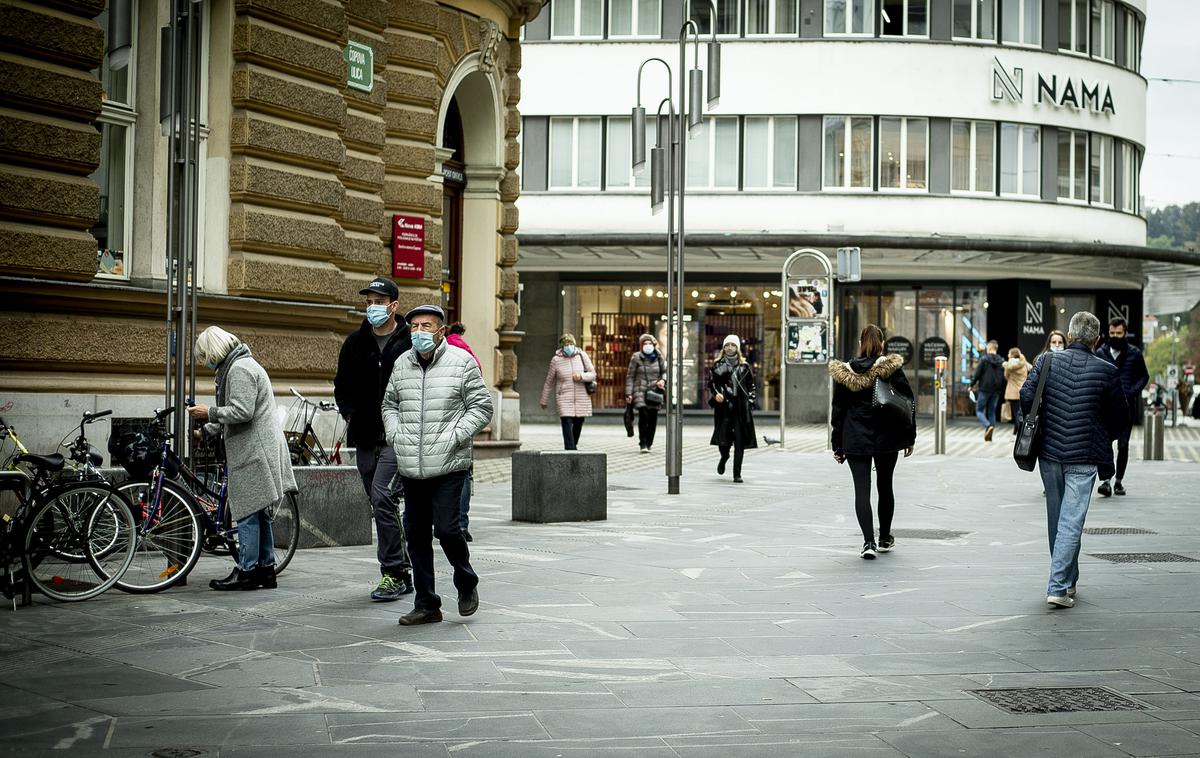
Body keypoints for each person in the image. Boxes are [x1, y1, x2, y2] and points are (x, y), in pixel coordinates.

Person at [383, 304, 493, 626]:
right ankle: (426, 603)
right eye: (414, 326)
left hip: (449, 463)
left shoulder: (462, 363)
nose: (418, 332)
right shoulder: (402, 363)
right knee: (416, 535)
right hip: (411, 466)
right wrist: (395, 433)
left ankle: (466, 581)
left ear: (441, 331)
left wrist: (455, 436)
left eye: (426, 326)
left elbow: (482, 407)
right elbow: (389, 404)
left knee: (447, 530)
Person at [1021, 311, 1126, 608]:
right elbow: (1120, 417)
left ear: (1068, 337)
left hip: (1050, 453)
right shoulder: (1107, 371)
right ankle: (1057, 587)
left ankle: (1069, 579)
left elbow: (1027, 396)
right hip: (1085, 454)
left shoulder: (1046, 361)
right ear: (1096, 340)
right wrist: (1103, 432)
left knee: (1059, 519)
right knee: (1071, 521)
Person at [190, 326, 297, 591]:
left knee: (248, 511)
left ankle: (247, 571)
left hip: (253, 451)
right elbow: (240, 410)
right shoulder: (242, 365)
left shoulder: (238, 369)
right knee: (259, 511)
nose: (205, 362)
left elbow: (241, 411)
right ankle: (266, 569)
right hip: (257, 449)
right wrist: (208, 430)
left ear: (214, 350)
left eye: (204, 356)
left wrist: (208, 413)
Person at [334, 277, 414, 601]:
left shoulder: (409, 341)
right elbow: (342, 385)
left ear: (393, 306)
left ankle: (392, 572)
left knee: (383, 496)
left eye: (379, 302)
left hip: (399, 435)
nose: (372, 307)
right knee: (380, 501)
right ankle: (405, 568)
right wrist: (351, 413)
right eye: (369, 302)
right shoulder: (355, 342)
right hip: (365, 436)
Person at [830, 324, 915, 560]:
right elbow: (907, 402)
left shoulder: (845, 372)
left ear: (860, 343)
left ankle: (868, 542)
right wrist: (909, 437)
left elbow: (838, 411)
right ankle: (885, 537)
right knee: (885, 486)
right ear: (882, 344)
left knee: (862, 491)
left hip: (855, 437)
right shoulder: (891, 368)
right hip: (887, 437)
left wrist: (837, 444)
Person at [1093, 317, 1149, 498]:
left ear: (1125, 333)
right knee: (1105, 444)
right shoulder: (1100, 353)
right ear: (1108, 333)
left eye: (1119, 333)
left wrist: (1132, 391)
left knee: (1123, 445)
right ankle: (1106, 481)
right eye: (1112, 333)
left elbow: (1144, 376)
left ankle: (1119, 481)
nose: (1115, 336)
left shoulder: (1134, 353)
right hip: (1105, 408)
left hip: (1126, 407)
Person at [445, 322, 480, 541]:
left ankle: (442, 521)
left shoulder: (444, 351)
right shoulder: (470, 353)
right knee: (464, 471)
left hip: (444, 420)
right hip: (464, 422)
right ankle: (461, 524)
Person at [708, 335, 757, 483]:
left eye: (733, 345)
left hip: (741, 409)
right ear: (723, 348)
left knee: (739, 442)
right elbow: (712, 383)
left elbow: (752, 387)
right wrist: (716, 394)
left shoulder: (745, 366)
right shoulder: (717, 365)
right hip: (724, 408)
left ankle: (737, 473)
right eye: (727, 345)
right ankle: (724, 457)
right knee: (724, 440)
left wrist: (750, 400)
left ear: (737, 348)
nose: (730, 347)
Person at [540, 333, 595, 451]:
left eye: (570, 344)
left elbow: (592, 374)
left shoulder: (582, 356)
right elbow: (549, 381)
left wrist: (581, 376)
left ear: (574, 344)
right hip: (564, 396)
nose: (568, 346)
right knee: (566, 421)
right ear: (562, 346)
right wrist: (544, 399)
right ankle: (570, 450)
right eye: (566, 344)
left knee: (579, 422)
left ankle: (573, 444)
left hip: (581, 396)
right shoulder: (556, 360)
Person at [625, 333, 666, 453]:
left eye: (650, 344)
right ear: (641, 345)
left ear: (654, 345)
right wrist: (629, 393)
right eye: (645, 344)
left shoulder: (659, 357)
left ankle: (649, 442)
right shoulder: (636, 357)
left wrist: (662, 381)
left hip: (654, 391)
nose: (647, 346)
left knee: (653, 417)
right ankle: (643, 442)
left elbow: (665, 372)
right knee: (644, 415)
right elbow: (630, 376)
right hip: (640, 390)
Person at [971, 340, 1006, 442]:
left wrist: (971, 385)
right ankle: (990, 434)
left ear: (990, 348)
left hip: (985, 389)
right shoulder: (1001, 361)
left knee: (979, 410)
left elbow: (977, 374)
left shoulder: (984, 359)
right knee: (991, 412)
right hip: (996, 390)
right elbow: (1003, 377)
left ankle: (988, 425)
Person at [1003, 347, 1032, 435]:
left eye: (1009, 353)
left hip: (1013, 392)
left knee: (1016, 413)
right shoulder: (1024, 363)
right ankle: (1015, 431)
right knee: (1021, 412)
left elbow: (1006, 376)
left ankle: (1019, 431)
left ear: (1012, 355)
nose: (1008, 355)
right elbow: (1031, 369)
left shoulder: (1008, 365)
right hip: (1023, 390)